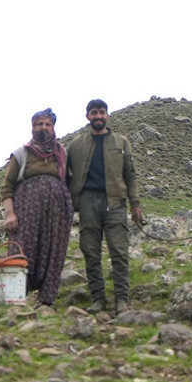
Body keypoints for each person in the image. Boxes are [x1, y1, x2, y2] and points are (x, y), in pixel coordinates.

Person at [66, 99, 143, 314]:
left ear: (107, 115)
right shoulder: (76, 145)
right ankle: (98, 299)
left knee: (119, 251)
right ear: (87, 116)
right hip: (87, 202)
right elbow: (63, 170)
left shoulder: (121, 142)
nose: (98, 116)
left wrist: (135, 204)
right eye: (94, 112)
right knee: (90, 251)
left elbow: (130, 175)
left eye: (101, 112)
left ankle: (121, 300)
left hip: (116, 202)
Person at [1, 108, 73, 308]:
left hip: (57, 211)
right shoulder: (21, 153)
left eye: (47, 124)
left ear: (53, 127)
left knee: (54, 250)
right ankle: (16, 295)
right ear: (32, 127)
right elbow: (7, 185)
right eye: (39, 124)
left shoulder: (62, 154)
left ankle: (46, 299)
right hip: (27, 209)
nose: (43, 128)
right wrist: (10, 213)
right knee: (23, 247)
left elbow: (69, 180)